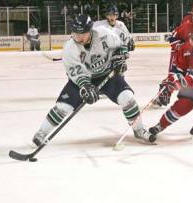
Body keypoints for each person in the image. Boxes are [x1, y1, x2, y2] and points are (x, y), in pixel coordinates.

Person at [32, 14, 151, 146]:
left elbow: (121, 43)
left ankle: (139, 129)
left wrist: (121, 55)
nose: (78, 37)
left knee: (127, 98)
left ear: (90, 30)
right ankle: (41, 133)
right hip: (82, 80)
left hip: (107, 74)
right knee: (63, 107)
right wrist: (86, 86)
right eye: (75, 33)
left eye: (82, 33)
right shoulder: (70, 48)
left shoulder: (104, 33)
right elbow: (76, 73)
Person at [152, 7, 193, 108]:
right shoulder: (188, 26)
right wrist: (180, 47)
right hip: (183, 56)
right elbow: (172, 37)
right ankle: (163, 96)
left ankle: (189, 97)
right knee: (175, 75)